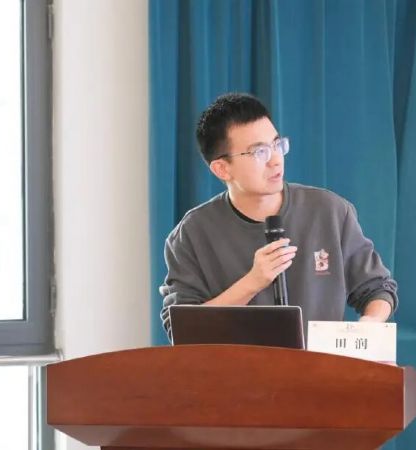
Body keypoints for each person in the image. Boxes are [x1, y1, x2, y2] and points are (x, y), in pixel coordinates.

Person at [159, 92, 397, 340]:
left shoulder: (330, 211)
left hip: (319, 364)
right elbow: (183, 329)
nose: (275, 160)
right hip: (237, 365)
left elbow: (377, 287)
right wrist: (253, 282)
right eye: (259, 152)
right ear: (222, 169)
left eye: (277, 145)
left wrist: (370, 322)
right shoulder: (192, 234)